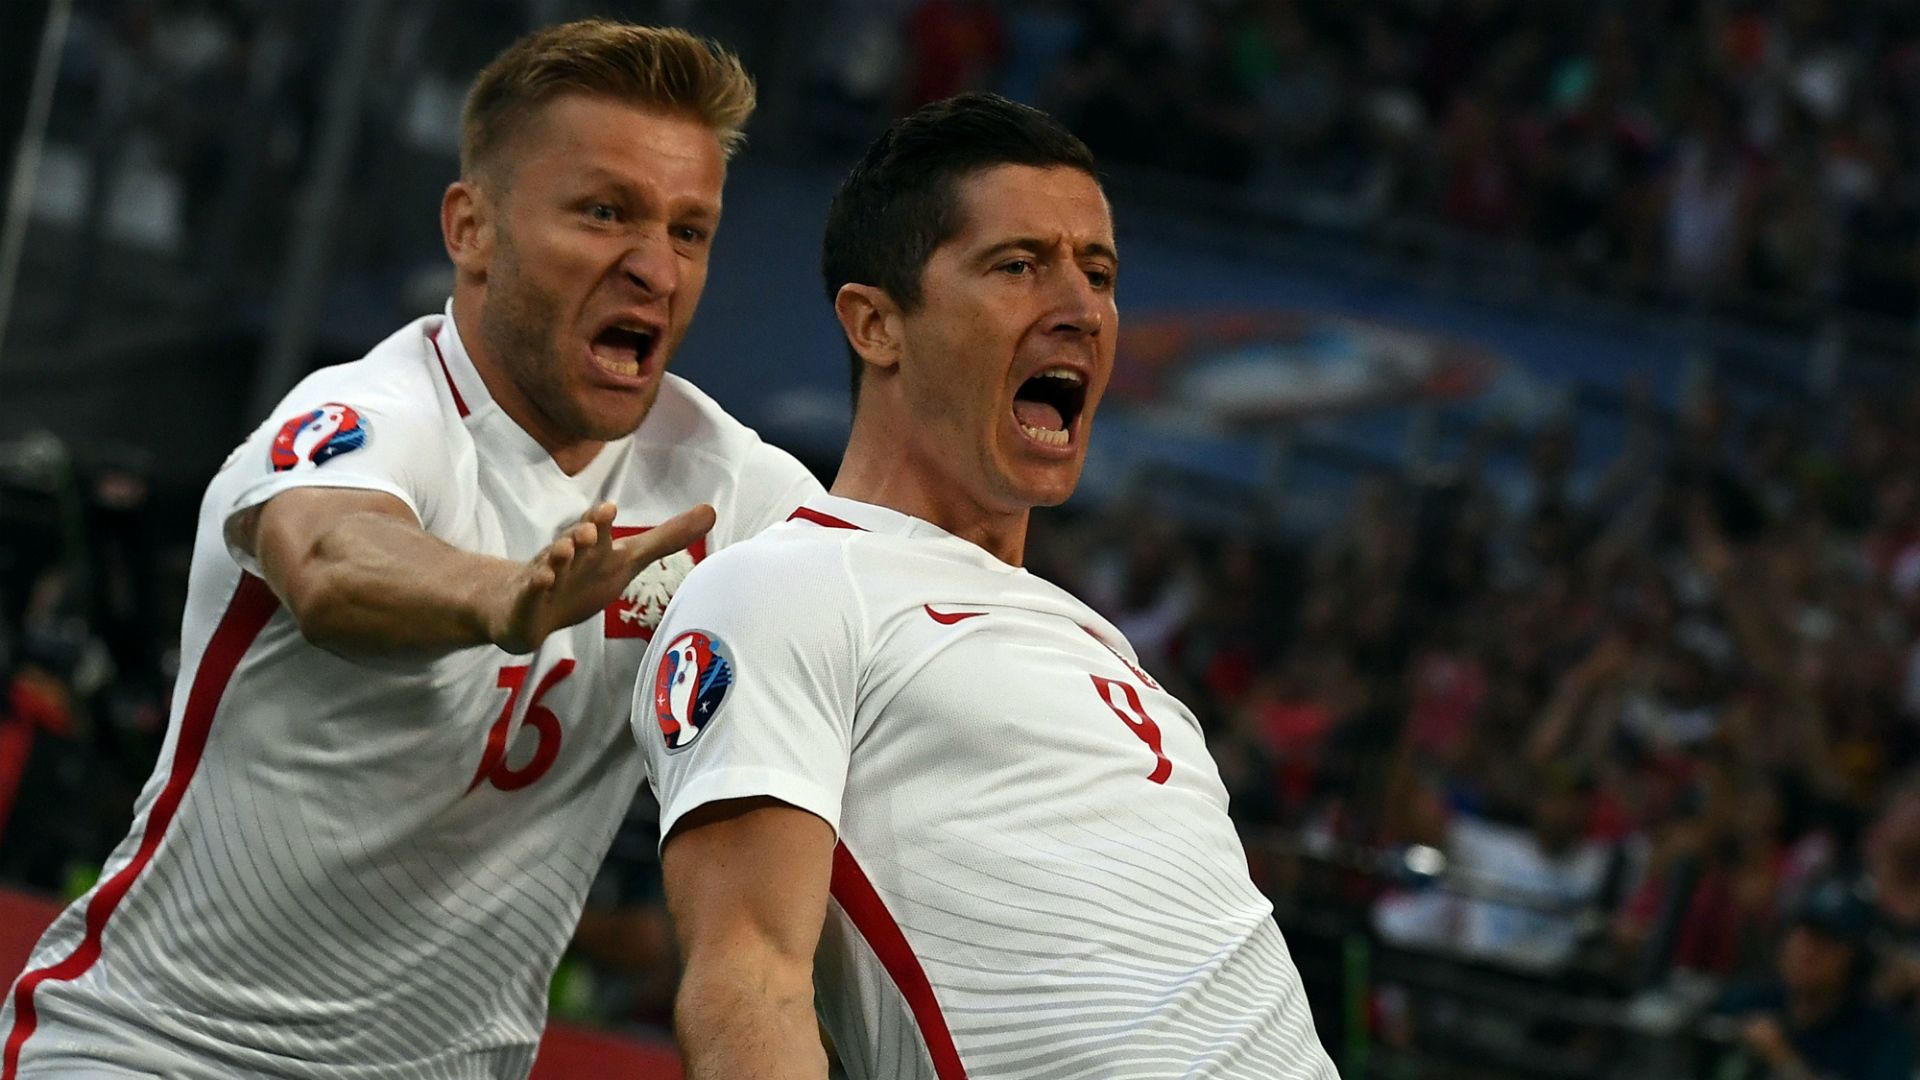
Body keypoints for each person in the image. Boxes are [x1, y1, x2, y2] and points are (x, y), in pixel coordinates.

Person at [2, 20, 820, 1080]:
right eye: (604, 212)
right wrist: (508, 599)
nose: (654, 267)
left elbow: (893, 633)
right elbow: (334, 560)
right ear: (471, 227)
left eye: (690, 230)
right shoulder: (374, 410)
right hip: (160, 1051)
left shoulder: (729, 487)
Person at [638, 92, 1337, 1079]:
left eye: (1098, 274)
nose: (1082, 310)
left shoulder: (1105, 648)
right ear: (876, 325)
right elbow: (748, 980)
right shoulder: (783, 588)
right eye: (1018, 266)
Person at [1712, 878, 1915, 1080]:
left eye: (1824, 939)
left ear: (1856, 957)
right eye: (1799, 933)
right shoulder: (1748, 1001)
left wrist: (1783, 1060)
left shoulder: (1881, 1036)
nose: (1804, 949)